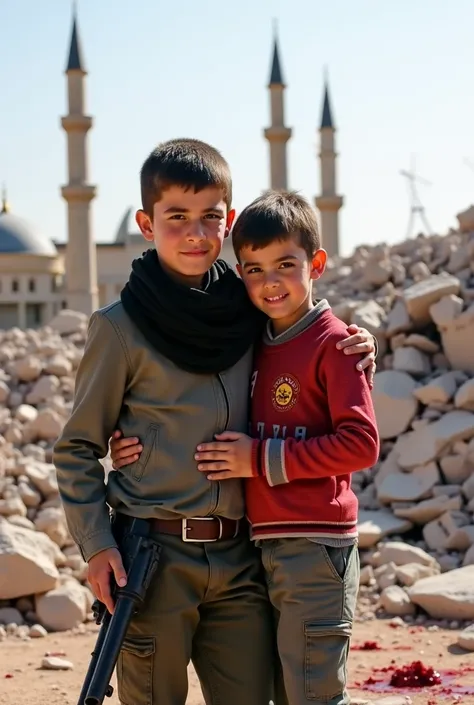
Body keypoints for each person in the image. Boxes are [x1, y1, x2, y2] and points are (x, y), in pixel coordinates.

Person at [54, 138, 377, 705]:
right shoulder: (118, 328)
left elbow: (303, 337)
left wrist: (359, 344)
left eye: (210, 218)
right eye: (176, 217)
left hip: (242, 558)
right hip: (153, 562)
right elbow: (78, 446)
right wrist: (97, 545)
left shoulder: (248, 307)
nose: (195, 234)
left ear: (228, 222)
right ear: (146, 223)